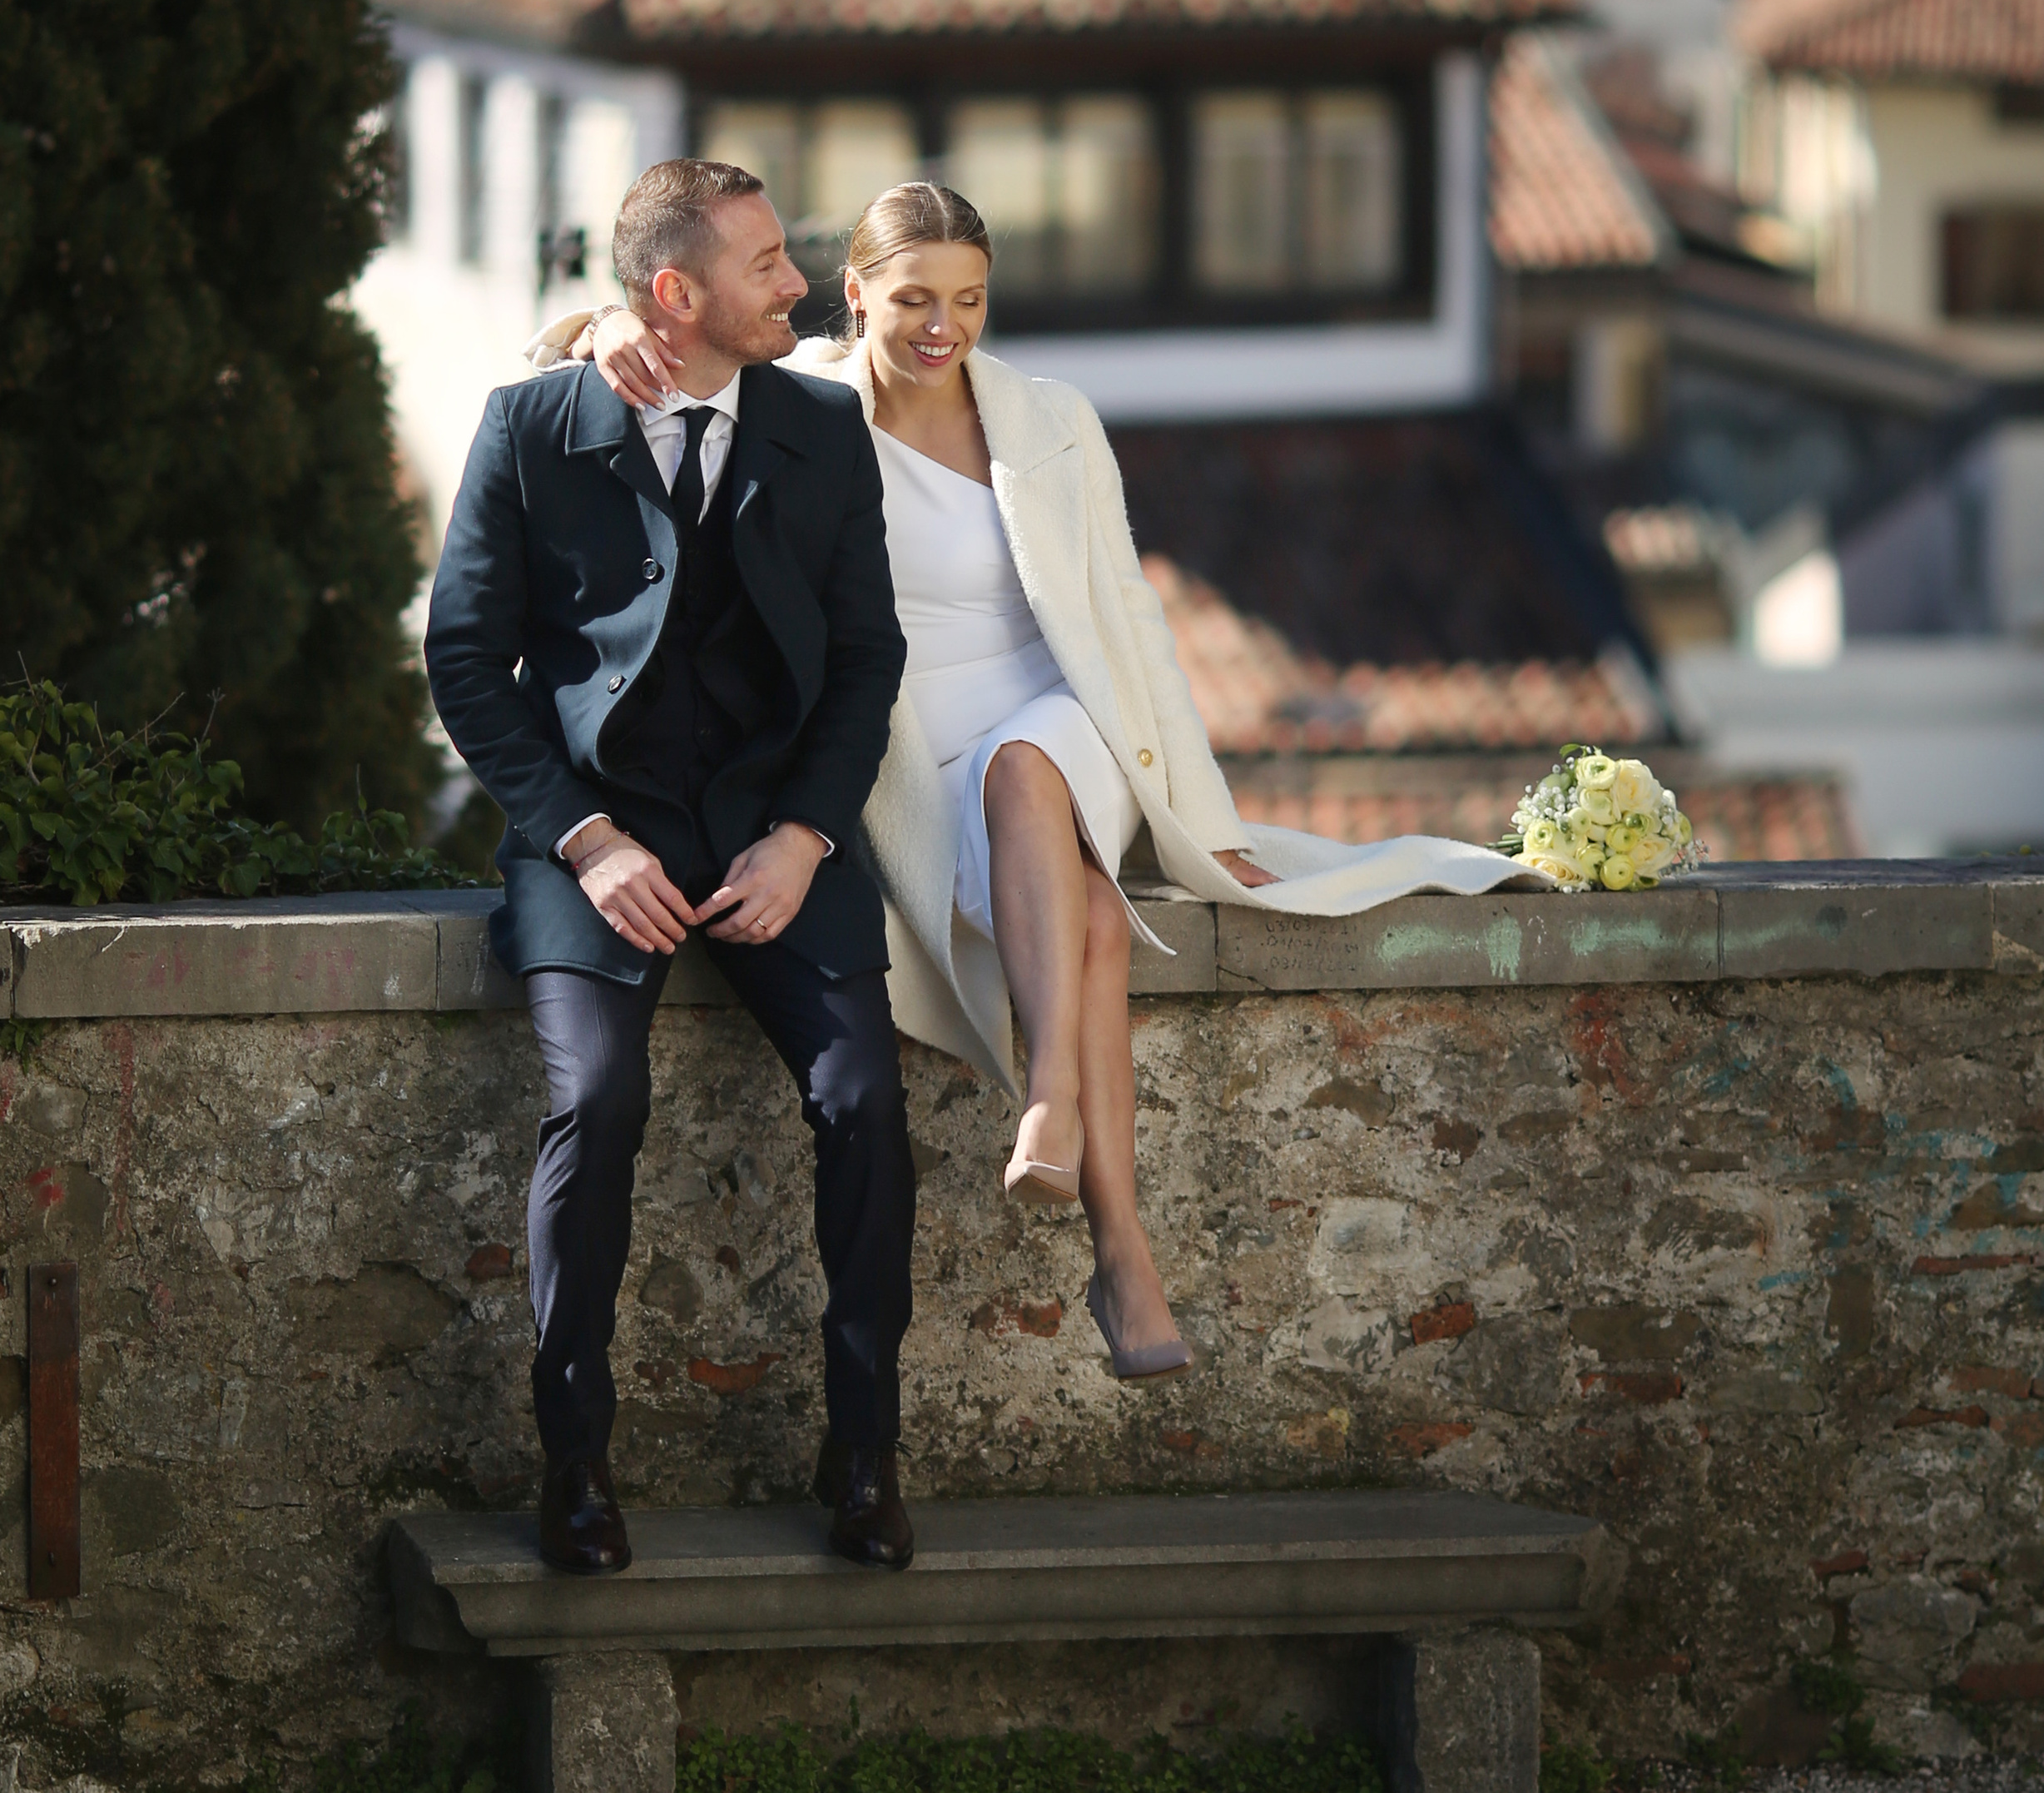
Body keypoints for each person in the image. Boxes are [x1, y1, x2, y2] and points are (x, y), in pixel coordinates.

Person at [548, 178, 1542, 1387]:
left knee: (1029, 769)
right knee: (1091, 923)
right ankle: (1122, 1254)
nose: (944, 327)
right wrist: (606, 327)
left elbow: (1130, 618)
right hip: (914, 741)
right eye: (914, 299)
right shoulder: (797, 402)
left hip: (1066, 717)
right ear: (854, 294)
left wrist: (1204, 815)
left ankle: (1048, 1105)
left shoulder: (1052, 416)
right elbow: (619, 356)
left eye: (970, 300)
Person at [426, 160, 918, 1579]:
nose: (799, 285)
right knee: (596, 1101)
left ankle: (865, 1449)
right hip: (594, 835)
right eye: (767, 265)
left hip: (778, 835)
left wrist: (805, 836)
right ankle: (575, 1462)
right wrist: (584, 841)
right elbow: (466, 657)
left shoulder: (822, 425)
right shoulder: (531, 427)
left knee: (866, 1101)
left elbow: (867, 656)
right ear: (673, 293)